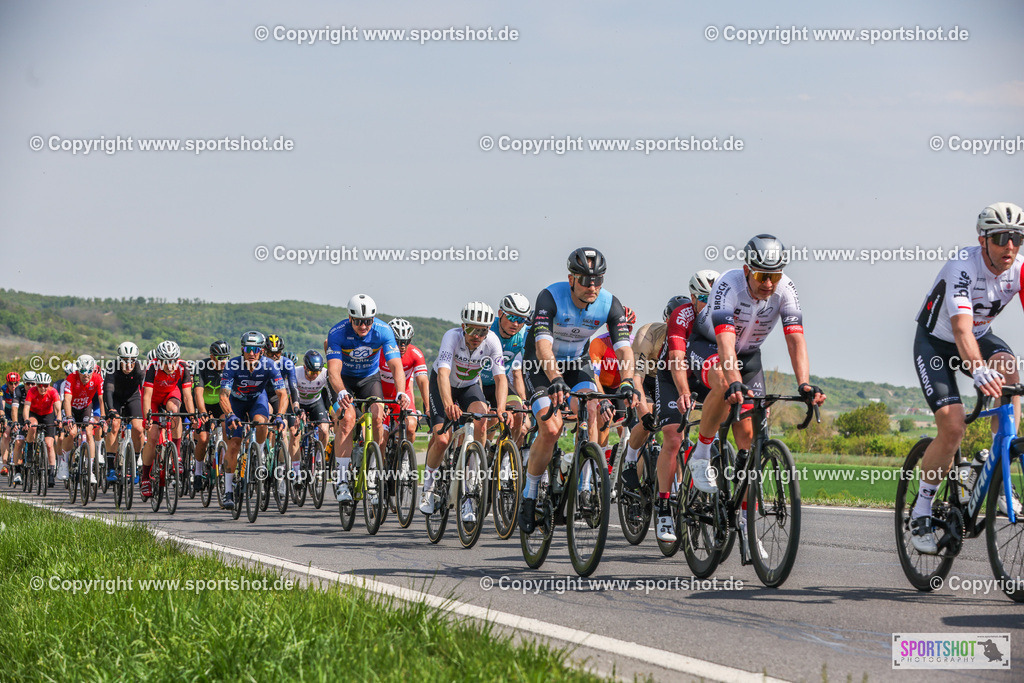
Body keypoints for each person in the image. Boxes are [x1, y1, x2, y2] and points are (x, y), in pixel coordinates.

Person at [686, 235, 825, 556]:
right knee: (723, 381)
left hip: (749, 357)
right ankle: (701, 453)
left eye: (775, 276)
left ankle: (748, 528)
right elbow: (723, 343)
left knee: (749, 440)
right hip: (709, 346)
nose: (769, 284)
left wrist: (804, 383)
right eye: (763, 276)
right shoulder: (728, 285)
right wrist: (733, 381)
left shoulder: (786, 289)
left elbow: (795, 339)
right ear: (747, 269)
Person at [910, 202, 1024, 553]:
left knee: (1011, 372)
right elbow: (961, 329)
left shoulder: (1019, 269)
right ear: (983, 239)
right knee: (954, 425)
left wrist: (991, 367)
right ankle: (922, 510)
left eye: (1017, 237)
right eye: (1002, 237)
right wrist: (977, 369)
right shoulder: (961, 267)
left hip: (980, 335)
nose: (1010, 246)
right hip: (936, 342)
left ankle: (996, 466)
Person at [518, 247, 637, 534]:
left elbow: (624, 350)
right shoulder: (550, 297)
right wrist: (555, 376)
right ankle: (529, 494)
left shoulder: (610, 304)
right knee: (551, 427)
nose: (592, 286)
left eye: (598, 280)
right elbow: (542, 345)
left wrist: (627, 381)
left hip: (577, 363)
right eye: (585, 280)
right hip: (541, 364)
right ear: (571, 279)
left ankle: (584, 486)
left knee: (593, 409)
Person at [623, 270, 719, 543]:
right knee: (660, 426)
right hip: (658, 376)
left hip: (691, 375)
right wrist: (643, 410)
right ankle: (632, 461)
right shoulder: (649, 334)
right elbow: (637, 378)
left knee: (687, 434)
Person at [420, 301, 508, 524]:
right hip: (443, 385)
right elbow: (442, 374)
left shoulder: (493, 342)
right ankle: (428, 488)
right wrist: (449, 403)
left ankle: (469, 493)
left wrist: (501, 407)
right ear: (463, 326)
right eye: (472, 329)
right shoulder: (452, 337)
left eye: (483, 330)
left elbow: (500, 378)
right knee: (441, 439)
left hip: (469, 386)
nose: (477, 335)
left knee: (481, 422)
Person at [326, 294, 409, 504]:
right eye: (358, 321)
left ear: (374, 318)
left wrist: (401, 391)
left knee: (379, 416)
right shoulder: (338, 333)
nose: (363, 326)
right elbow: (333, 371)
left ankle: (373, 472)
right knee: (347, 419)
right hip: (343, 380)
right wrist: (342, 391)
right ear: (349, 317)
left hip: (369, 379)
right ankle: (343, 480)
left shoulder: (383, 331)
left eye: (367, 321)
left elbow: (396, 365)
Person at [219, 331, 287, 510]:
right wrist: (230, 414)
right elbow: (223, 395)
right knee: (234, 443)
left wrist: (279, 415)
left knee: (261, 422)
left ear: (262, 351)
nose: (251, 353)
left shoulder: (269, 365)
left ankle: (260, 453)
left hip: (257, 400)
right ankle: (228, 491)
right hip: (236, 403)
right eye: (248, 349)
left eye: (256, 349)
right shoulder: (233, 364)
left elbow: (282, 394)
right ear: (242, 349)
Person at [140, 341, 196, 499]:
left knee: (175, 411)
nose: (170, 366)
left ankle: (176, 454)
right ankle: (145, 478)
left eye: (173, 361)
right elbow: (147, 396)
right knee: (152, 436)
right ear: (159, 360)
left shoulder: (183, 367)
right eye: (166, 361)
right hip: (153, 399)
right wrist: (147, 419)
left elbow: (187, 395)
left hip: (170, 393)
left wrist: (191, 414)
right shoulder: (152, 367)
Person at [480, 294, 532, 445]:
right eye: (511, 317)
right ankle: (482, 453)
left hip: (500, 383)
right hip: (478, 383)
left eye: (521, 320)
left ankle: (501, 455)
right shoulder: (488, 329)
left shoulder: (523, 335)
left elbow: (527, 367)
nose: (516, 324)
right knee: (487, 419)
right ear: (500, 313)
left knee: (519, 416)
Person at [379, 318, 429, 444]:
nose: (402, 346)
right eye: (398, 342)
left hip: (401, 396)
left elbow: (422, 381)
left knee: (411, 427)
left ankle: (405, 458)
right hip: (381, 395)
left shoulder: (415, 354)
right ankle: (379, 462)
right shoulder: (379, 352)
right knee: (381, 436)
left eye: (406, 342)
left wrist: (428, 407)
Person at [103, 342, 145, 483]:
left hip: (132, 397)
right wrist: (111, 410)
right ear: (119, 359)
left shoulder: (140, 369)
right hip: (115, 398)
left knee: (139, 429)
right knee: (115, 425)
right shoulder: (112, 367)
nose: (128, 364)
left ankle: (134, 464)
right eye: (125, 361)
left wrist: (148, 411)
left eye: (132, 361)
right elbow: (108, 391)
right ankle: (111, 469)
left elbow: (145, 392)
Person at [60, 354, 106, 484]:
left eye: (89, 371)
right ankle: (64, 461)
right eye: (83, 371)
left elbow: (101, 399)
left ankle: (90, 470)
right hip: (72, 409)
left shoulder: (97, 378)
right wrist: (69, 418)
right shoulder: (71, 378)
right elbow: (67, 400)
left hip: (86, 406)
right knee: (72, 432)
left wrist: (102, 417)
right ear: (78, 370)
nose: (86, 374)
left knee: (89, 431)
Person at [192, 340, 231, 491]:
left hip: (221, 404)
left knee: (227, 428)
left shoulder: (230, 368)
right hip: (205, 405)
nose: (224, 361)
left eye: (226, 357)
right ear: (211, 357)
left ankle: (225, 468)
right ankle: (198, 472)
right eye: (220, 358)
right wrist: (202, 411)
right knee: (203, 438)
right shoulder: (202, 366)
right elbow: (198, 393)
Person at [22, 371, 62, 488]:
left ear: (49, 385)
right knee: (33, 426)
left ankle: (50, 472)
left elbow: (58, 409)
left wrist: (58, 419)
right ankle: (30, 446)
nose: (43, 388)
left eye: (45, 385)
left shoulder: (53, 391)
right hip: (34, 414)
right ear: (37, 385)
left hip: (47, 415)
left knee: (49, 444)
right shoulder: (32, 391)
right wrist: (26, 420)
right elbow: (26, 407)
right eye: (40, 385)